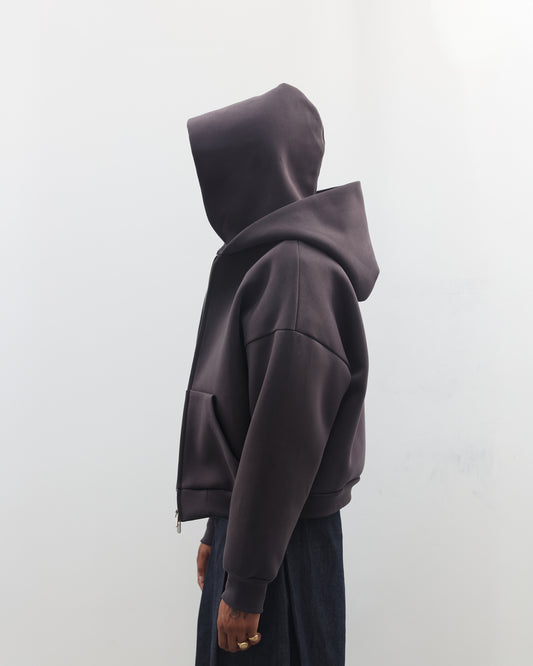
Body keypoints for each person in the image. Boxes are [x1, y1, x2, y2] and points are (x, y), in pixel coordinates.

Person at [174, 82, 380, 664]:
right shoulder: (277, 263)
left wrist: (246, 581)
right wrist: (219, 528)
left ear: (257, 169)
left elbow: (282, 446)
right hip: (261, 539)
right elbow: (252, 421)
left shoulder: (294, 271)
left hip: (282, 551)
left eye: (227, 168)